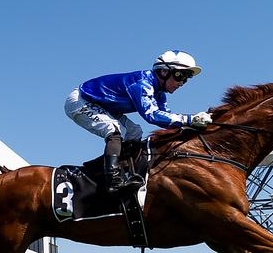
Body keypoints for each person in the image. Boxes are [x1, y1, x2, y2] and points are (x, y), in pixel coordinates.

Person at [65, 50, 212, 194]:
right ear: (163, 72)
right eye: (180, 76)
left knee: (134, 132)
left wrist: (191, 125)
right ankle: (112, 180)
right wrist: (190, 119)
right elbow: (152, 115)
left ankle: (124, 171)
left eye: (186, 79)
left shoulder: (159, 93)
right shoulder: (142, 83)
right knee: (115, 130)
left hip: (102, 106)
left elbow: (165, 118)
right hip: (80, 100)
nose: (182, 83)